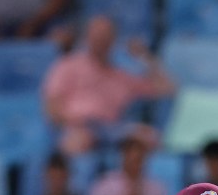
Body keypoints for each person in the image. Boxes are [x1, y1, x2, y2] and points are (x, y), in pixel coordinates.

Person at [41, 15, 175, 155]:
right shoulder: (67, 65)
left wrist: (144, 57)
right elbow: (52, 107)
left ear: (113, 39)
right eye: (97, 35)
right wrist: (72, 122)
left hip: (112, 129)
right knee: (76, 142)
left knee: (150, 138)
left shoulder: (122, 76)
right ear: (87, 37)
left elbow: (168, 89)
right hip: (78, 126)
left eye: (105, 36)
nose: (100, 40)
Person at [86, 134, 169, 195]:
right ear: (123, 157)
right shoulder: (106, 184)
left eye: (138, 159)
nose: (134, 163)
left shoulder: (156, 188)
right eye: (131, 158)